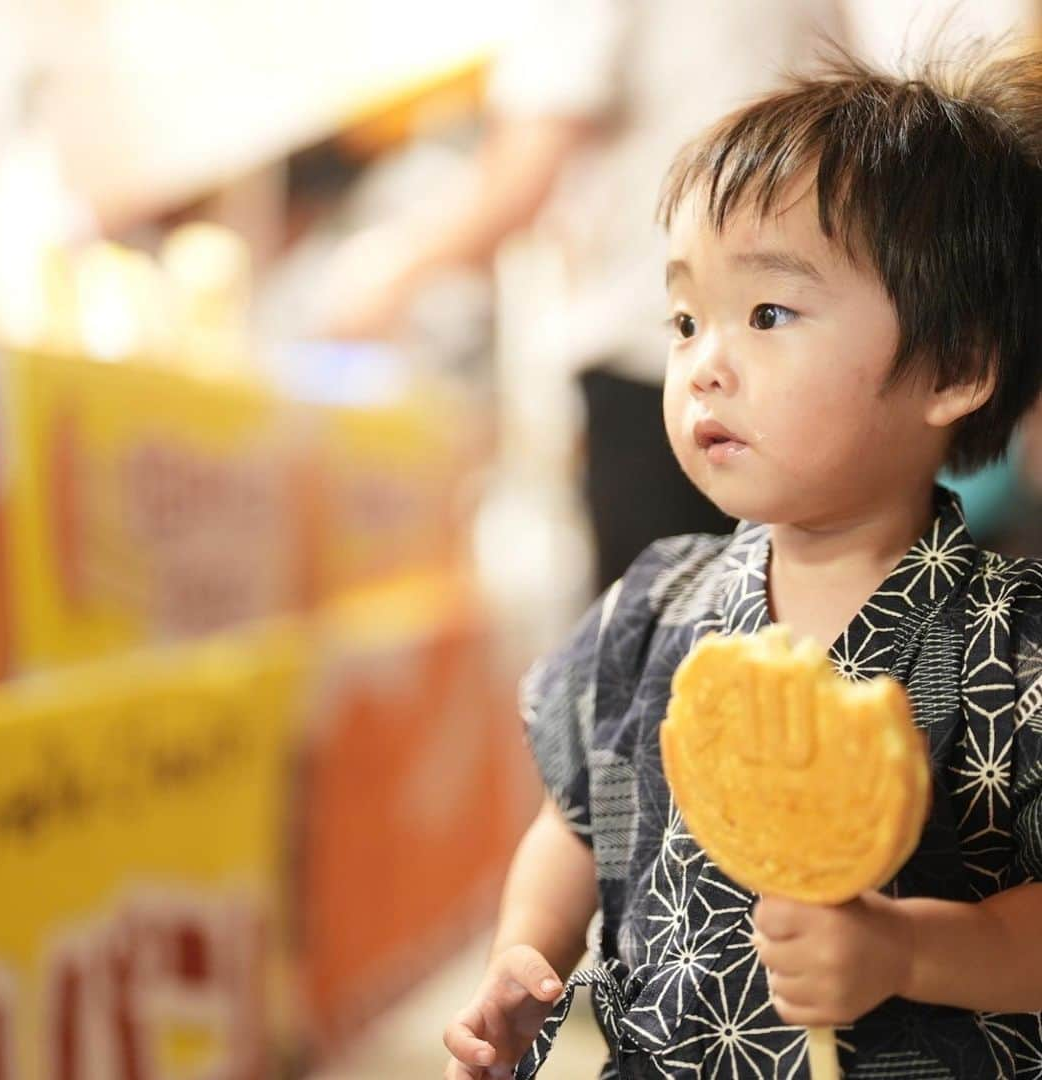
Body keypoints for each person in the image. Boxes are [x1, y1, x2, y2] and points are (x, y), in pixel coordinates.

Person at [442, 44, 1042, 1080]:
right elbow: (577, 820)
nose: (704, 363)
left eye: (767, 314)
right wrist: (524, 954)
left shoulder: (1013, 646)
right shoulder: (654, 599)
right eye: (684, 321)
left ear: (954, 367)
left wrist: (911, 950)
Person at [321, 0, 847, 589]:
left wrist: (383, 277)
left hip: (664, 357)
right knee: (789, 625)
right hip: (798, 342)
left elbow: (523, 176)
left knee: (664, 645)